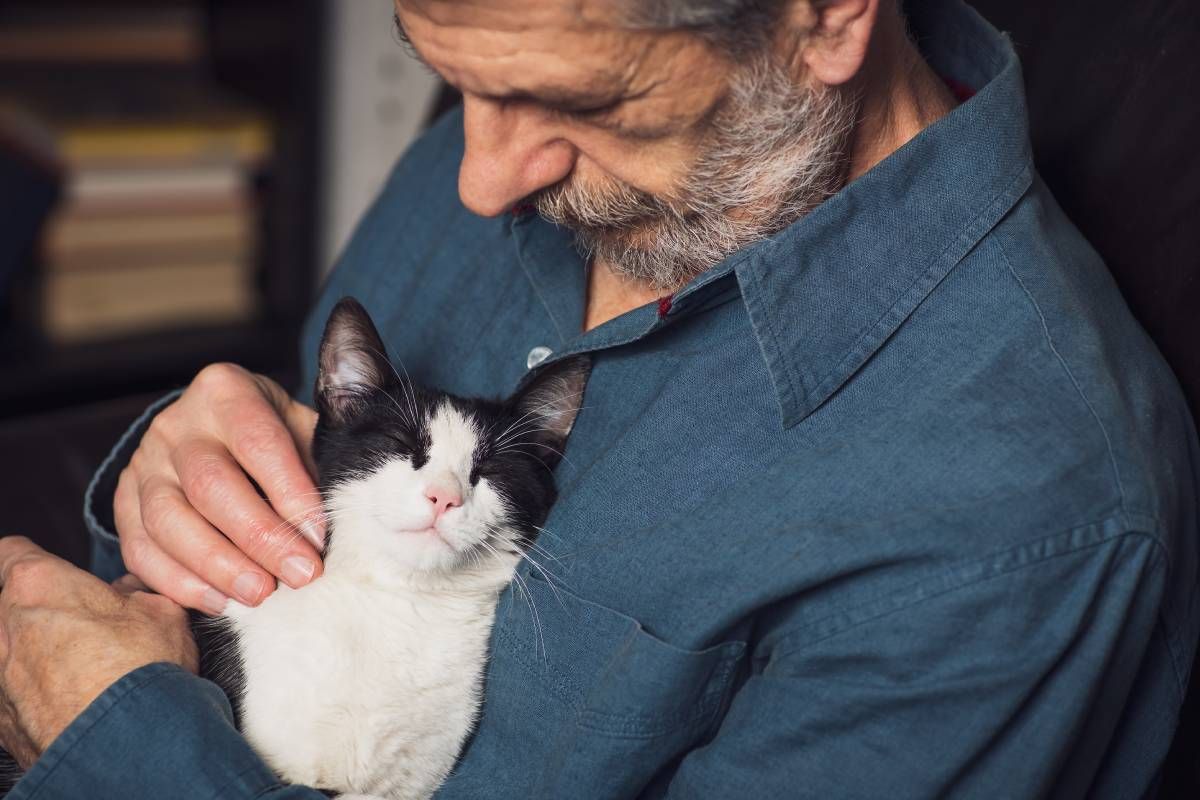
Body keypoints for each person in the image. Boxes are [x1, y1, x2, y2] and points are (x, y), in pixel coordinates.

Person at [0, 0, 1196, 796]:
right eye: (447, 78)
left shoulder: (1015, 517)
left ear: (826, 13)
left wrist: (121, 745)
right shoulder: (531, 91)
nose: (474, 181)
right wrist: (190, 487)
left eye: (587, 105)